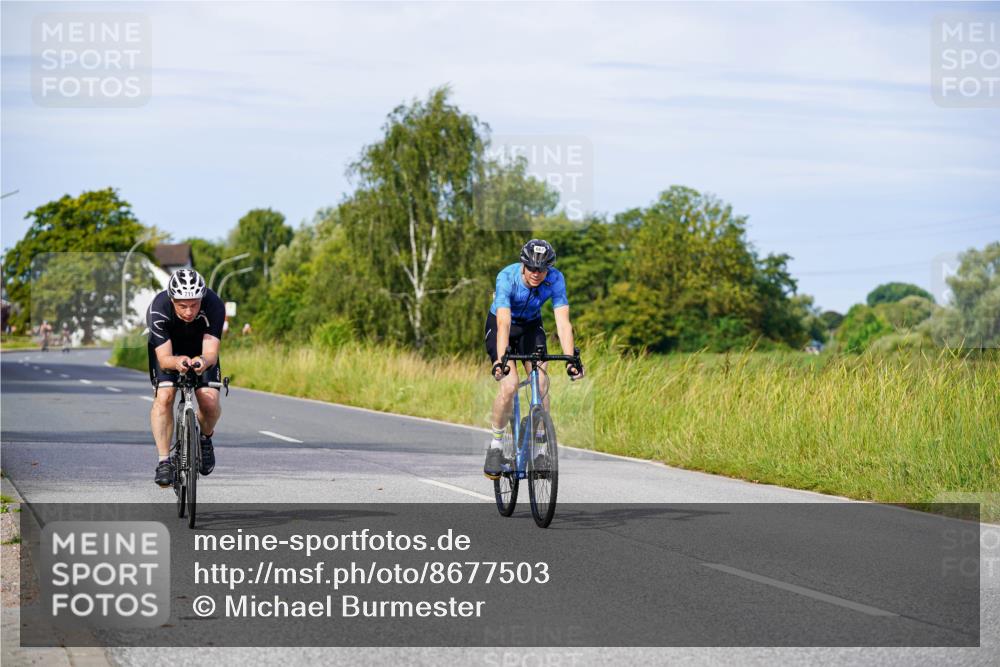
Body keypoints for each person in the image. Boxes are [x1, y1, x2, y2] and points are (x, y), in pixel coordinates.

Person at [483, 239, 583, 479]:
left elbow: (562, 322)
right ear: (523, 265)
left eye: (542, 268)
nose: (537, 273)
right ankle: (496, 445)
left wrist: (571, 359)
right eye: (532, 268)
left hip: (531, 327)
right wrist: (501, 360)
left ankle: (539, 450)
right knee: (509, 386)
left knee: (541, 383)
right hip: (502, 326)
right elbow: (503, 322)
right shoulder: (506, 278)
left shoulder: (556, 279)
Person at [146, 269, 225, 487]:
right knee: (165, 396)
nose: (189, 311)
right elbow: (163, 359)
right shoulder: (158, 308)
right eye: (182, 306)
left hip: (201, 351)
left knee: (209, 401)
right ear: (172, 300)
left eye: (194, 304)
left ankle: (205, 438)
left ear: (202, 298)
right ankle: (164, 461)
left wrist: (202, 361)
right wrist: (177, 361)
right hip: (169, 352)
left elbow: (210, 352)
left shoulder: (214, 305)